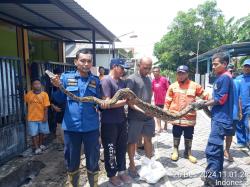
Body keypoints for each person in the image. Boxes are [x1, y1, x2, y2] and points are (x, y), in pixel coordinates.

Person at [51, 49, 108, 187]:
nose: (86, 64)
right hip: (71, 128)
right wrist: (57, 87)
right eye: (83, 60)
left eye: (89, 61)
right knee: (72, 160)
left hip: (91, 128)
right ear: (76, 62)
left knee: (93, 159)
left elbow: (98, 102)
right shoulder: (65, 78)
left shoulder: (95, 80)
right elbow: (58, 99)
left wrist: (103, 104)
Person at [201, 53, 234, 186]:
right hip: (219, 118)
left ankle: (211, 179)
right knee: (218, 150)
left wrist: (202, 104)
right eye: (213, 64)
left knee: (212, 149)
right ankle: (218, 179)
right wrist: (204, 102)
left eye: (216, 64)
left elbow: (221, 99)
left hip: (221, 119)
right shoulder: (221, 77)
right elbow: (217, 97)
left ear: (224, 64)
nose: (213, 67)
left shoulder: (225, 78)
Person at [165, 65, 209, 164]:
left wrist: (214, 100)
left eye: (183, 73)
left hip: (189, 118)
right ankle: (175, 150)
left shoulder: (195, 86)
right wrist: (165, 112)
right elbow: (167, 100)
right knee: (176, 133)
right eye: (179, 73)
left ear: (187, 74)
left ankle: (188, 153)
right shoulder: (172, 86)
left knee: (189, 135)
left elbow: (205, 95)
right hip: (176, 117)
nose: (181, 75)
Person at [100, 58, 132, 186]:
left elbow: (126, 99)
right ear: (114, 66)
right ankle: (112, 174)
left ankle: (122, 171)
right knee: (110, 149)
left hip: (121, 120)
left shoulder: (122, 82)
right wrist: (125, 102)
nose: (124, 71)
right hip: (109, 122)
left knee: (121, 147)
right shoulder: (106, 81)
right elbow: (107, 104)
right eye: (122, 68)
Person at [126, 57, 155, 178]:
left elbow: (148, 98)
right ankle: (132, 165)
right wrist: (143, 111)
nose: (147, 70)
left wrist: (151, 110)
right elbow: (128, 101)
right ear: (139, 65)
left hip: (148, 117)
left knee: (148, 140)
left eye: (149, 68)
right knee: (132, 142)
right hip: (135, 117)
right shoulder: (131, 79)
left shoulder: (149, 79)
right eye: (145, 68)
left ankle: (148, 164)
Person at [25, 78, 50, 154]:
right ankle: (36, 148)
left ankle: (41, 144)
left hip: (41, 117)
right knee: (33, 134)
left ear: (41, 85)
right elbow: (26, 102)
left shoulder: (44, 94)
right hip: (31, 118)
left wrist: (45, 116)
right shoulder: (29, 94)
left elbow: (46, 107)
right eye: (35, 84)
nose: (37, 85)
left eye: (38, 84)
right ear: (32, 85)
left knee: (41, 132)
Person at [224, 63, 239, 162]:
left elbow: (239, 98)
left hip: (233, 113)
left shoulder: (237, 82)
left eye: (233, 71)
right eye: (230, 70)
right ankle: (217, 150)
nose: (231, 72)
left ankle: (227, 150)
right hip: (223, 113)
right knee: (220, 133)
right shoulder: (223, 81)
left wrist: (240, 111)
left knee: (230, 133)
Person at [235, 59, 250, 150]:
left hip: (249, 106)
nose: (247, 68)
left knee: (247, 124)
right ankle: (241, 141)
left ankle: (248, 141)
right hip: (238, 105)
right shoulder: (238, 79)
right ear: (243, 67)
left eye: (249, 66)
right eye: (245, 66)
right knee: (239, 123)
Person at [152, 66, 169, 133]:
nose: (155, 72)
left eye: (157, 71)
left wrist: (168, 99)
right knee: (157, 114)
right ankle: (159, 127)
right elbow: (152, 90)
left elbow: (168, 89)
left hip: (164, 101)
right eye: (154, 71)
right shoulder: (153, 80)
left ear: (159, 72)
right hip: (157, 101)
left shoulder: (164, 79)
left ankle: (165, 125)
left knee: (165, 114)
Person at [50, 68, 65, 146]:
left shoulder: (64, 83)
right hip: (56, 109)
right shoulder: (51, 85)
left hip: (65, 108)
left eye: (60, 74)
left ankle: (63, 143)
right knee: (59, 126)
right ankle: (60, 142)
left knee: (63, 127)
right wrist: (54, 106)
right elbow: (49, 99)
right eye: (58, 74)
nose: (59, 76)